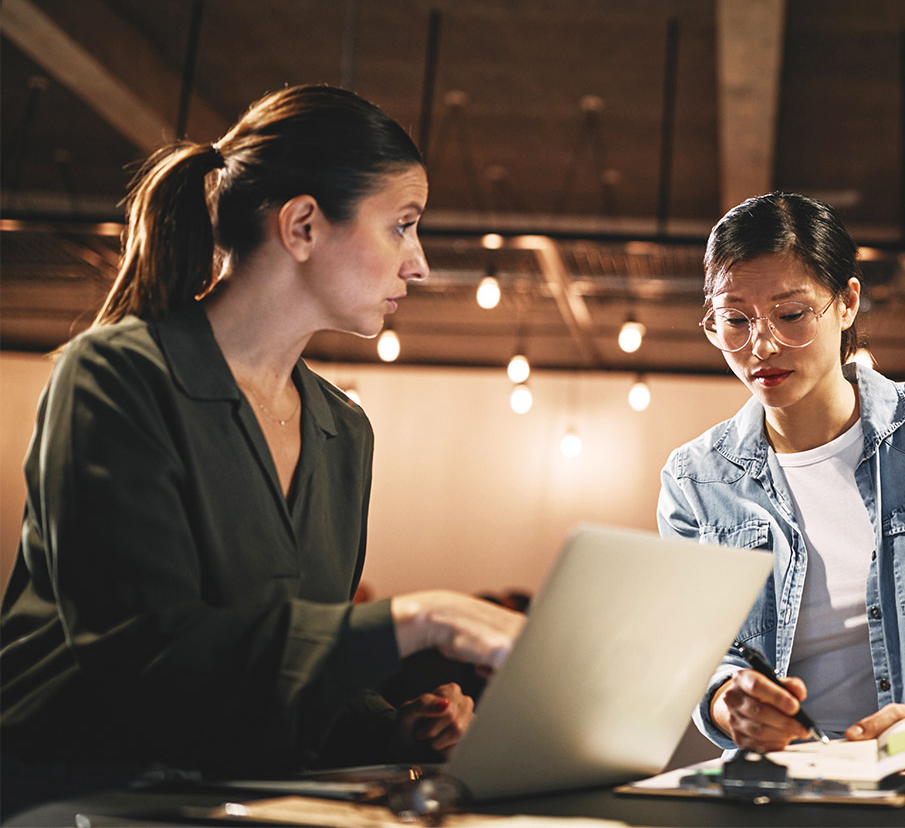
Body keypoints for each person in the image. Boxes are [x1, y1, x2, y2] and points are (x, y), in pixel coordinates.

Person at [0, 85, 524, 817]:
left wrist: (389, 726)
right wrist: (419, 617)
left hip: (234, 797)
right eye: (402, 226)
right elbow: (149, 657)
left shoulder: (343, 431)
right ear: (304, 225)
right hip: (73, 798)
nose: (420, 264)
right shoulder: (115, 375)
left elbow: (279, 664)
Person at [657, 192, 905, 779]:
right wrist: (727, 704)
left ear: (846, 302)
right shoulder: (695, 479)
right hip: (782, 790)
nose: (761, 347)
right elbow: (702, 658)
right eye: (736, 320)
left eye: (791, 315)